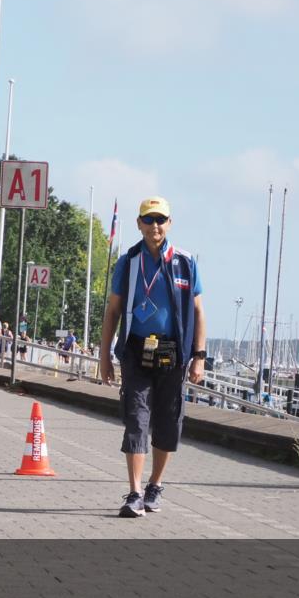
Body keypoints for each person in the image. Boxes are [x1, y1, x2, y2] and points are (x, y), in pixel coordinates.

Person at [99, 196, 206, 519]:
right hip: (136, 351)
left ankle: (154, 485)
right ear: (139, 224)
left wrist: (199, 356)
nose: (154, 226)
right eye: (148, 220)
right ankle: (134, 493)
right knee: (136, 418)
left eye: (160, 220)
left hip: (173, 354)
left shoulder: (185, 262)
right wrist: (104, 355)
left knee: (168, 422)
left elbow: (198, 312)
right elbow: (113, 311)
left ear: (169, 224)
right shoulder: (129, 262)